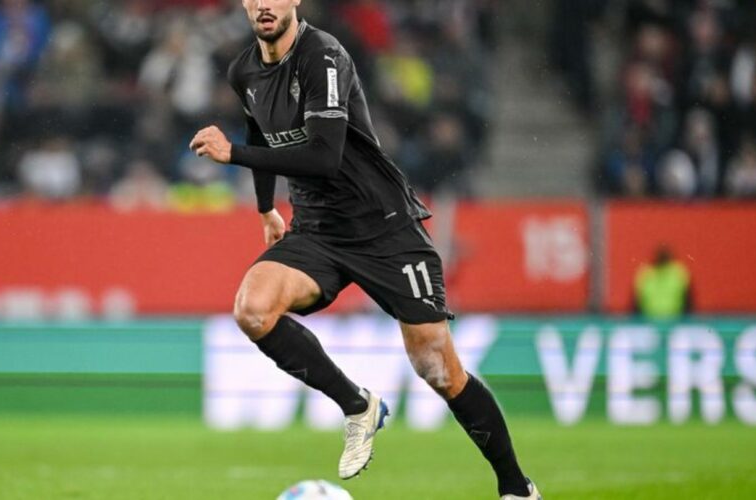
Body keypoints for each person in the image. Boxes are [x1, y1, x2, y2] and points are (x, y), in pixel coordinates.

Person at [189, 1, 540, 499]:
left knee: (437, 367)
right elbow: (258, 132)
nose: (264, 4)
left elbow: (324, 156)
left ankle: (516, 488)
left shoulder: (323, 56)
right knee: (252, 309)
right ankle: (358, 406)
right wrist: (267, 207)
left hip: (383, 227)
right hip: (317, 230)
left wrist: (232, 156)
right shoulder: (243, 69)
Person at [633, 245, 692, 319]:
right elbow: (636, 301)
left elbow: (688, 299)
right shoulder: (646, 274)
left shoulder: (679, 272)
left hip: (674, 320)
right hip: (650, 320)